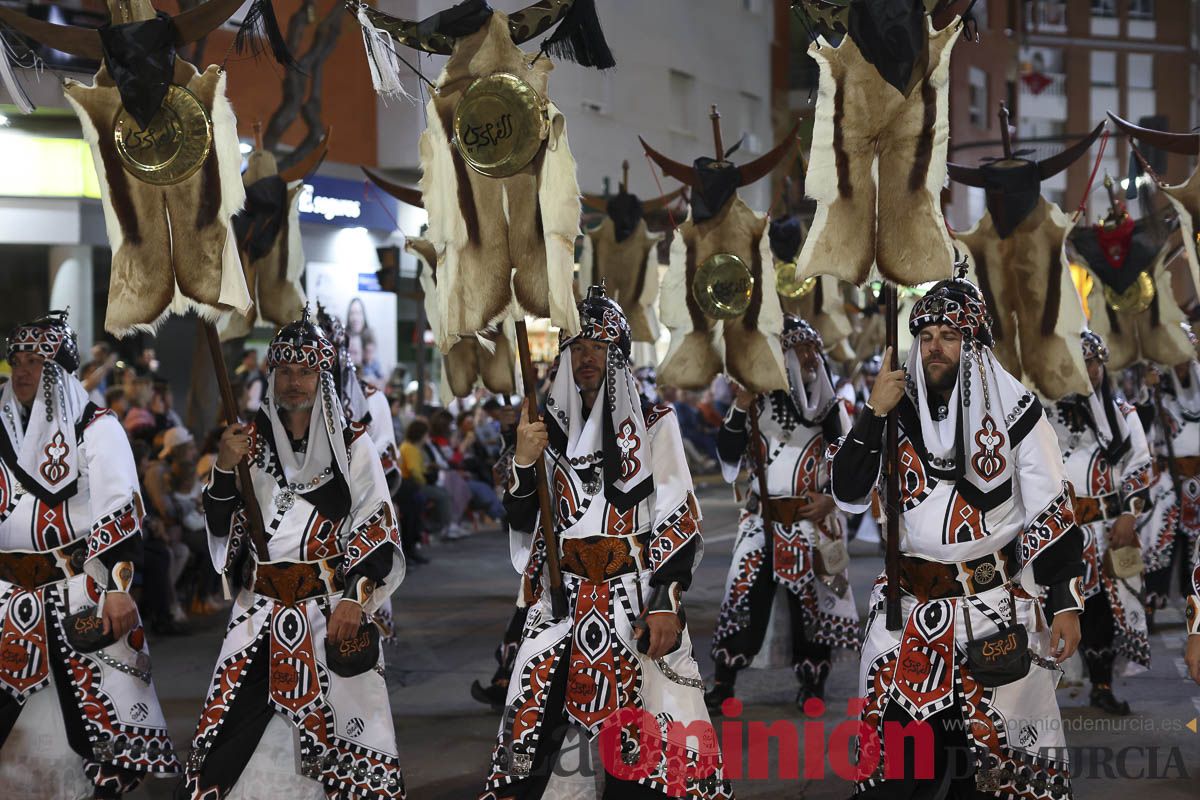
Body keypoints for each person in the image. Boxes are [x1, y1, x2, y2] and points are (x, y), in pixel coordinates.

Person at [829, 272, 1084, 797]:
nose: (934, 349)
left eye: (948, 336)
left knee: (992, 776)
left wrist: (1064, 603)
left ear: (973, 343)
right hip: (905, 618)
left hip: (988, 611)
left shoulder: (1018, 411)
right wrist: (872, 415)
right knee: (901, 775)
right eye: (925, 337)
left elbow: (1051, 510)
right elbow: (847, 492)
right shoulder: (890, 406)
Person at [480, 286, 731, 799]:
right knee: (534, 740)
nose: (586, 358)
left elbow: (676, 515)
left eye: (598, 347)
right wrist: (525, 462)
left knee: (648, 746)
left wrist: (666, 601)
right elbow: (523, 517)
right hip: (562, 603)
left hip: (632, 600)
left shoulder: (656, 424)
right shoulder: (541, 428)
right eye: (577, 347)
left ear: (617, 355)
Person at [180, 312, 405, 799]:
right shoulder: (246, 444)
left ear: (322, 377)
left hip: (329, 613)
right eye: (285, 371)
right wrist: (222, 469)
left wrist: (355, 601)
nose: (294, 382)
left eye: (305, 372)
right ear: (271, 376)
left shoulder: (353, 447)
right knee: (227, 736)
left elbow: (377, 528)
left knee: (346, 746)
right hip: (256, 613)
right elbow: (221, 527)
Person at [0, 311, 179, 796]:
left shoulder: (97, 428)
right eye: (17, 360)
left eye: (36, 361)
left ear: (58, 371)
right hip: (4, 598)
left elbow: (118, 507)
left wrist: (119, 591)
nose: (22, 371)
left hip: (81, 593)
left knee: (100, 733)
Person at [706, 317, 859, 712]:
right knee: (742, 599)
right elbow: (726, 449)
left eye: (813, 348)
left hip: (814, 523)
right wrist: (741, 406)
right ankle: (724, 681)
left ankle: (813, 685)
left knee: (814, 606)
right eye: (800, 349)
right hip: (762, 520)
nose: (810, 357)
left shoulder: (830, 408)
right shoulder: (755, 399)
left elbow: (850, 465)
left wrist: (832, 500)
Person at [1049, 331, 1152, 714]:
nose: (1087, 370)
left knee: (1106, 612)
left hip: (1110, 529)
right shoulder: (1047, 410)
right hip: (1060, 531)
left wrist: (1129, 514)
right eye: (1080, 362)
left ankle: (1102, 685)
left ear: (1102, 365)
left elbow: (1139, 465)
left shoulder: (1123, 414)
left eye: (1092, 362)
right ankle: (1055, 681)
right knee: (1059, 605)